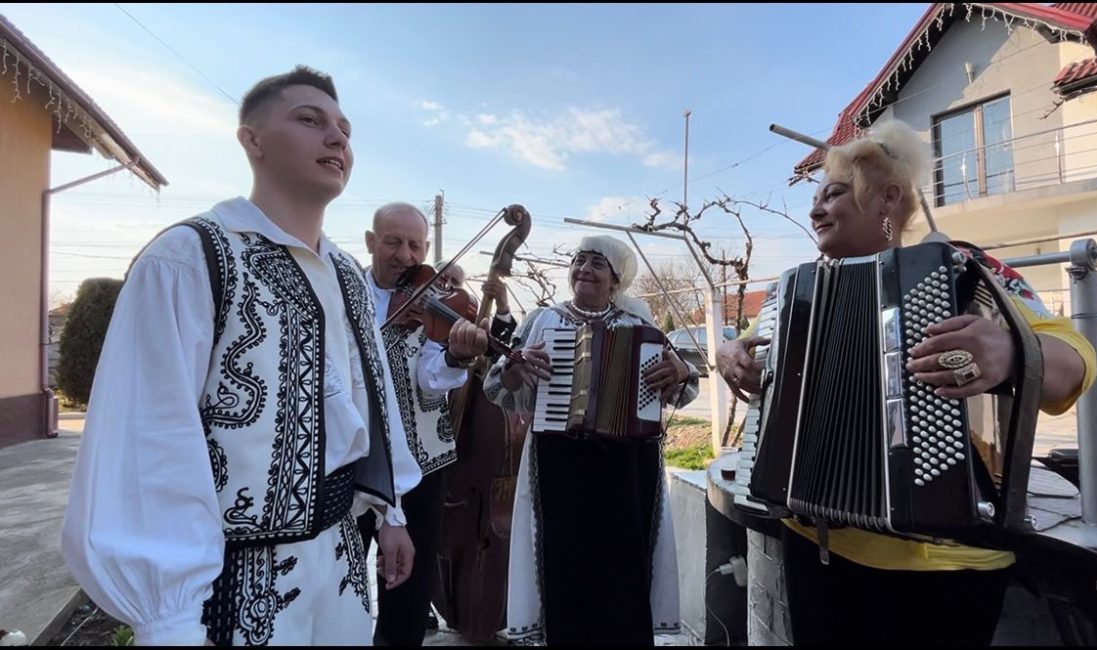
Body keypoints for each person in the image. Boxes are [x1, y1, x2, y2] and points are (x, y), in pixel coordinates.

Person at [61, 65, 416, 646]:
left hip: (342, 563)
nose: (337, 138)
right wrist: (169, 621)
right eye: (310, 120)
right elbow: (151, 438)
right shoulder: (189, 257)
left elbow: (372, 402)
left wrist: (391, 513)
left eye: (345, 130)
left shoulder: (349, 274)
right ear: (252, 140)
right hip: (231, 582)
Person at [716, 119, 1097, 645]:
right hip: (815, 542)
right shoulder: (797, 293)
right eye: (816, 198)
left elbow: (1076, 362)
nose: (815, 210)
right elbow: (740, 348)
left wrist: (1011, 351)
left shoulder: (967, 270)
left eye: (833, 193)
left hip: (944, 563)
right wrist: (730, 355)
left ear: (887, 198)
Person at [483, 234, 701, 646]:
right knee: (564, 564)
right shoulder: (542, 321)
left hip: (626, 466)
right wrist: (514, 372)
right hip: (558, 461)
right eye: (579, 261)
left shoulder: (640, 325)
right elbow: (497, 388)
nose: (583, 269)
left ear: (616, 280)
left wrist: (682, 373)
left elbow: (685, 387)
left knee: (625, 566)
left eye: (597, 263)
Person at [356, 202, 489, 646]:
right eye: (393, 242)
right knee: (340, 574)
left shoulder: (435, 302)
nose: (405, 256)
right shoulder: (343, 290)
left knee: (409, 585)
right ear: (371, 242)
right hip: (350, 458)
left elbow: (431, 380)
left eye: (415, 245)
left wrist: (456, 355)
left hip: (420, 461)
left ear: (426, 248)